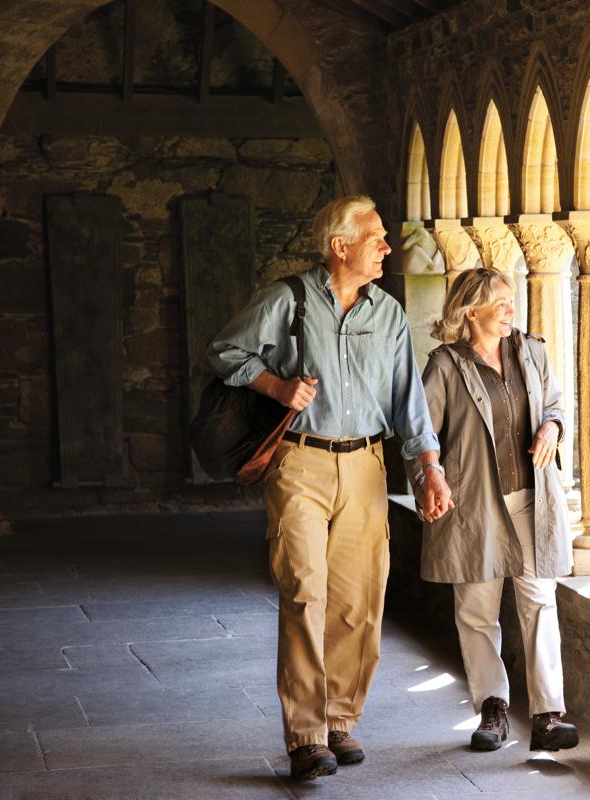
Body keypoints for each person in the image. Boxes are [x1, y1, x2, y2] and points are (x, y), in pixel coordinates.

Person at [207, 195, 453, 780]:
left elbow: (407, 401)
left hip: (367, 465)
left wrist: (428, 467)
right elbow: (223, 352)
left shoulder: (389, 313)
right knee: (304, 591)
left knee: (359, 599)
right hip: (300, 464)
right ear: (340, 246)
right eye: (377, 238)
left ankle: (341, 719)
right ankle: (306, 734)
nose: (387, 248)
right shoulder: (288, 300)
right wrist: (275, 386)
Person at [418, 267, 579, 753]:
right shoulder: (445, 365)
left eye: (511, 300)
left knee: (539, 600)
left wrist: (552, 427)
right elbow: (422, 431)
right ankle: (493, 709)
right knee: (476, 609)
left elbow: (555, 404)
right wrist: (431, 477)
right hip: (475, 503)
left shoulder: (532, 351)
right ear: (472, 311)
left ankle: (548, 715)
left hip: (532, 499)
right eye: (501, 302)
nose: (512, 309)